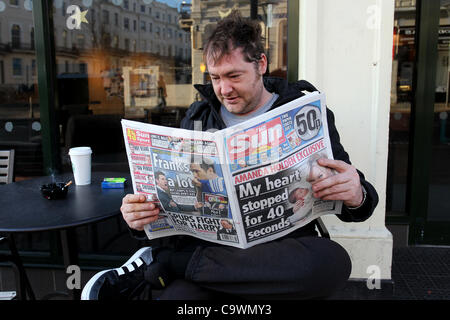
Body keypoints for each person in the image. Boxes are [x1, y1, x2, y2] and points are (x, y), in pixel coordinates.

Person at [82, 11, 378, 300]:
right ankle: (182, 266)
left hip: (279, 254)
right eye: (215, 78)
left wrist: (357, 193)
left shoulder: (304, 111)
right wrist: (140, 219)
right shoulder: (198, 118)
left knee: (331, 263)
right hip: (217, 250)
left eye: (234, 75)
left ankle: (171, 264)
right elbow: (172, 199)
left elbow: (358, 201)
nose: (224, 89)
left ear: (261, 64)